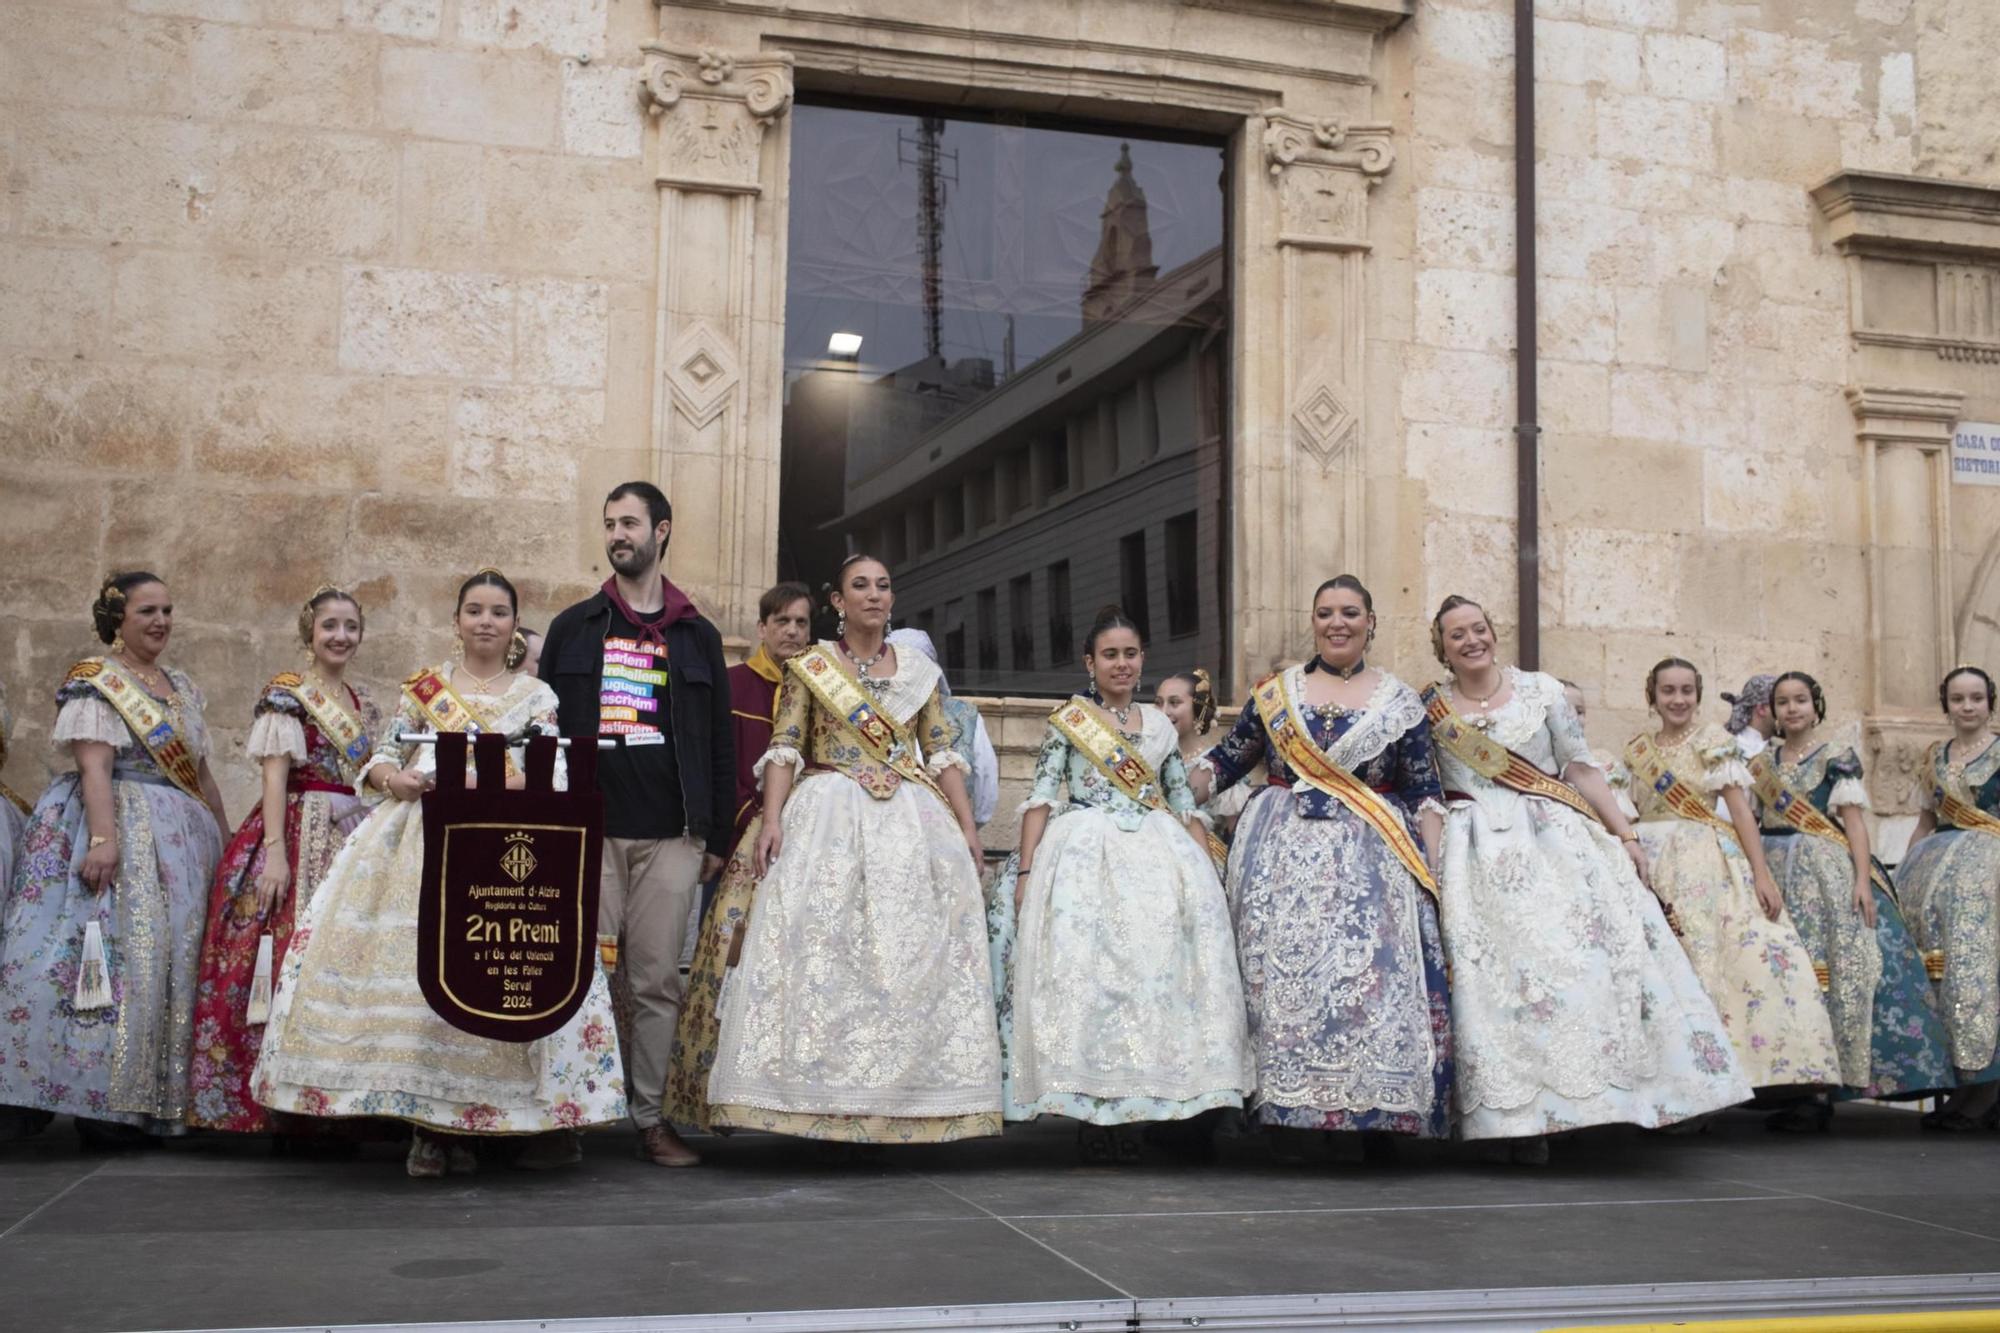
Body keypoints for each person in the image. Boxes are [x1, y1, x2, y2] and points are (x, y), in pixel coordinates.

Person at [254, 570, 626, 1177]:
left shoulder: (537, 697)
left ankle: (515, 1124)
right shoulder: (423, 689)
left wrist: (477, 781)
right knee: (420, 979)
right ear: (456, 621)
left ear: (512, 624)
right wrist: (390, 779)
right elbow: (382, 755)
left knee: (502, 972)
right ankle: (428, 1128)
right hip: (419, 841)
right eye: (474, 610)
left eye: (499, 612)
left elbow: (550, 773)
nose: (486, 621)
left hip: (507, 848)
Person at [1425, 598, 1750, 1159]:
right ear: (1443, 647)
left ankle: (1591, 1107)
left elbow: (1577, 767)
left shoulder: (1542, 691)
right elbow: (1425, 784)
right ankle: (1515, 1121)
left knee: (1579, 970)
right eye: (1457, 635)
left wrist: (1625, 834)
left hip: (1553, 844)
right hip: (1471, 853)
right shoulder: (1428, 707)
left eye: (1479, 629)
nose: (1471, 640)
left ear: (1493, 634)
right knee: (1494, 988)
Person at [706, 553, 1001, 1143]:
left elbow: (942, 753)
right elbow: (786, 746)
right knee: (822, 950)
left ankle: (909, 1101)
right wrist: (771, 823)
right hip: (828, 819)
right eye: (860, 586)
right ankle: (812, 1098)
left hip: (911, 823)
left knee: (910, 952)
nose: (873, 595)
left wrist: (970, 830)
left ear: (892, 600)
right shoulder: (811, 666)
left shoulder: (916, 670)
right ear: (837, 602)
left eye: (883, 586)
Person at [1188, 575, 1454, 1151]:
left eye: (1351, 613)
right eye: (1327, 612)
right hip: (1278, 856)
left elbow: (1424, 789)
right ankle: (1283, 1114)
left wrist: (1435, 872)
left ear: (1371, 622)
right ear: (1313, 621)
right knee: (1276, 980)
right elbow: (1228, 762)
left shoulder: (1400, 700)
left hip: (1373, 860)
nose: (1338, 623)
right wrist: (1166, 790)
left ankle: (1374, 1116)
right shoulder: (1276, 694)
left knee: (1367, 980)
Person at [988, 608, 1253, 1161]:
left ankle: (1149, 1100)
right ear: (1090, 662)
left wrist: (1206, 876)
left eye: (1130, 653)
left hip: (1158, 856)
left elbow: (1182, 803)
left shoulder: (1158, 726)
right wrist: (1028, 875)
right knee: (1093, 981)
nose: (1122, 663)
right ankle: (1093, 1109)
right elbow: (1040, 796)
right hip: (1085, 854)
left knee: (1151, 980)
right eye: (1110, 654)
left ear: (1142, 660)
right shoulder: (1070, 720)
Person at [539, 482, 734, 1169]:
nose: (617, 533)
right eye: (609, 522)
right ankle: (567, 1115)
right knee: (578, 975)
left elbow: (719, 742)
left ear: (663, 529)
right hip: (589, 833)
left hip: (673, 836)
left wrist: (713, 838)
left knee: (657, 982)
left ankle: (650, 1119)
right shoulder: (573, 627)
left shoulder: (697, 634)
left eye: (629, 522)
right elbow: (544, 732)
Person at [0, 572, 230, 1145]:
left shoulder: (181, 685)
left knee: (170, 964)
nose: (160, 622)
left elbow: (200, 772)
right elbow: (95, 765)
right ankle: (95, 1103)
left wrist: (228, 843)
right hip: (116, 823)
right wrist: (104, 840)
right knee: (105, 960)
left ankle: (154, 1100)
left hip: (181, 838)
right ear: (117, 620)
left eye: (168, 610)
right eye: (147, 611)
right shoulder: (97, 681)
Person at [187, 586, 384, 1135]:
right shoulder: (288, 695)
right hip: (296, 828)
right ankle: (274, 1106)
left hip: (350, 832)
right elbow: (274, 776)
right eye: (329, 626)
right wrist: (275, 855)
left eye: (350, 626)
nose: (340, 636)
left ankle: (336, 1102)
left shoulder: (361, 702)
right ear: (309, 633)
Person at [1609, 659, 1839, 1094]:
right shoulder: (1636, 748)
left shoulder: (1714, 740)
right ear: (1651, 696)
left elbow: (1740, 813)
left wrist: (1761, 874)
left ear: (1698, 695)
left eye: (1687, 691)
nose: (1678, 700)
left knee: (1702, 956)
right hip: (1649, 862)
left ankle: (1712, 1080)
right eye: (1668, 691)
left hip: (1703, 860)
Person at [1751, 672, 1953, 1127]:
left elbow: (1855, 823)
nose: (1792, 709)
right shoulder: (1762, 762)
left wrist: (1862, 879)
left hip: (1822, 870)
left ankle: (1822, 1091)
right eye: (1783, 702)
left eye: (1800, 700)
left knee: (1831, 974)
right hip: (1773, 866)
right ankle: (1790, 1081)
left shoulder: (1836, 758)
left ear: (1815, 705)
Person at [1898, 665, 2000, 1130]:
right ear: (1946, 705)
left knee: (1975, 978)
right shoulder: (1934, 756)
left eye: (1976, 698)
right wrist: (1902, 872)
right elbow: (1925, 821)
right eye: (1958, 699)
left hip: (1987, 874)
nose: (1967, 707)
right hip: (1934, 873)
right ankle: (1959, 1090)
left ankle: (1984, 1093)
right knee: (1940, 978)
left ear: (1990, 702)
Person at [728, 583, 813, 846]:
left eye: (801, 622)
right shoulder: (731, 683)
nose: (792, 630)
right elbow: (719, 766)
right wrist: (753, 821)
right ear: (762, 628)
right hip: (739, 835)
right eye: (782, 620)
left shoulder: (820, 692)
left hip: (803, 838)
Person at [889, 627, 1000, 827]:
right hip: (947, 830)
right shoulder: (965, 714)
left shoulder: (966, 715)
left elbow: (985, 772)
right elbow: (985, 776)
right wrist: (974, 823)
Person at [1157, 669, 1250, 839]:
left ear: (1198, 709)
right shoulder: (1151, 757)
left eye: (1174, 703)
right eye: (1159, 703)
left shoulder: (1217, 765)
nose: (1164, 711)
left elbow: (1238, 837)